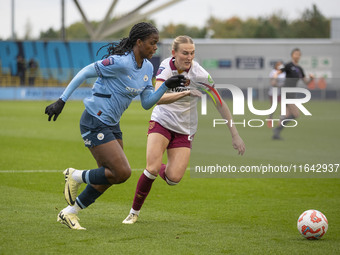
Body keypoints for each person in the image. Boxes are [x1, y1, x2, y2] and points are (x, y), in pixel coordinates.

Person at [45, 22, 186, 230]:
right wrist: (62, 100)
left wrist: (166, 85)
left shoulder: (147, 67)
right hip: (94, 120)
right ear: (139, 42)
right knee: (122, 172)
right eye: (152, 43)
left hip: (111, 124)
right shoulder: (119, 62)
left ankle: (69, 212)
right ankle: (74, 175)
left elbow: (147, 102)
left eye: (156, 43)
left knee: (112, 175)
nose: (155, 47)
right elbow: (85, 72)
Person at [122, 35, 246, 224]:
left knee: (173, 178)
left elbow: (220, 104)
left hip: (185, 129)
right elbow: (157, 97)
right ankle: (134, 212)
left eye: (192, 53)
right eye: (185, 53)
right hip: (162, 121)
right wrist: (185, 94)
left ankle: (157, 165)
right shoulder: (166, 66)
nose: (189, 57)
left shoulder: (201, 75)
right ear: (174, 53)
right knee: (152, 169)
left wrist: (235, 134)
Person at [272, 48, 314, 140]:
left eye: (299, 54)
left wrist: (311, 78)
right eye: (296, 54)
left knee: (286, 115)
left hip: (292, 93)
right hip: (286, 91)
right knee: (295, 114)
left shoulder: (299, 69)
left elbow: (306, 82)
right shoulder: (288, 65)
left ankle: (276, 133)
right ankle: (277, 130)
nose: (297, 56)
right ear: (292, 55)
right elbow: (277, 72)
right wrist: (274, 80)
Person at [267, 61, 285, 127]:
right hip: (273, 92)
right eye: (278, 65)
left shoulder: (284, 73)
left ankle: (280, 121)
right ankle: (270, 119)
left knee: (283, 107)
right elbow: (272, 83)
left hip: (281, 92)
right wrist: (278, 84)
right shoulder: (273, 72)